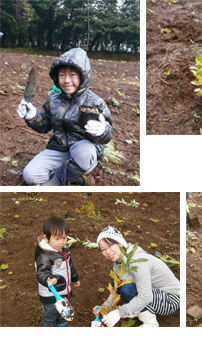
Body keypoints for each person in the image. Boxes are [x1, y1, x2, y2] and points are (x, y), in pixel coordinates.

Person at [16, 48, 113, 186]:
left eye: (72, 74)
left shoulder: (95, 102)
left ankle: (57, 181)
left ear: (83, 76)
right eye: (62, 75)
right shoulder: (54, 101)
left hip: (83, 154)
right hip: (59, 149)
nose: (66, 80)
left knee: (85, 151)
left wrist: (102, 131)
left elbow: (107, 134)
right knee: (30, 176)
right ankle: (77, 178)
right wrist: (32, 116)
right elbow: (44, 125)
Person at [94, 226, 180, 327]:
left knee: (128, 288)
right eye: (103, 249)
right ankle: (138, 310)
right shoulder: (118, 263)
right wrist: (105, 307)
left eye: (110, 245)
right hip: (154, 294)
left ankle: (150, 324)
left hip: (170, 299)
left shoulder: (137, 262)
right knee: (117, 282)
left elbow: (145, 296)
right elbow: (116, 288)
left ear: (120, 242)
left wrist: (119, 312)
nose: (107, 252)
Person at [35, 217, 80, 327]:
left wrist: (75, 278)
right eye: (57, 239)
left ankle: (61, 325)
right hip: (51, 295)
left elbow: (70, 267)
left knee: (63, 315)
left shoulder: (64, 251)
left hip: (64, 292)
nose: (61, 242)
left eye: (64, 238)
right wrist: (48, 280)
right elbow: (42, 272)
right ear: (46, 238)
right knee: (50, 317)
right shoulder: (44, 255)